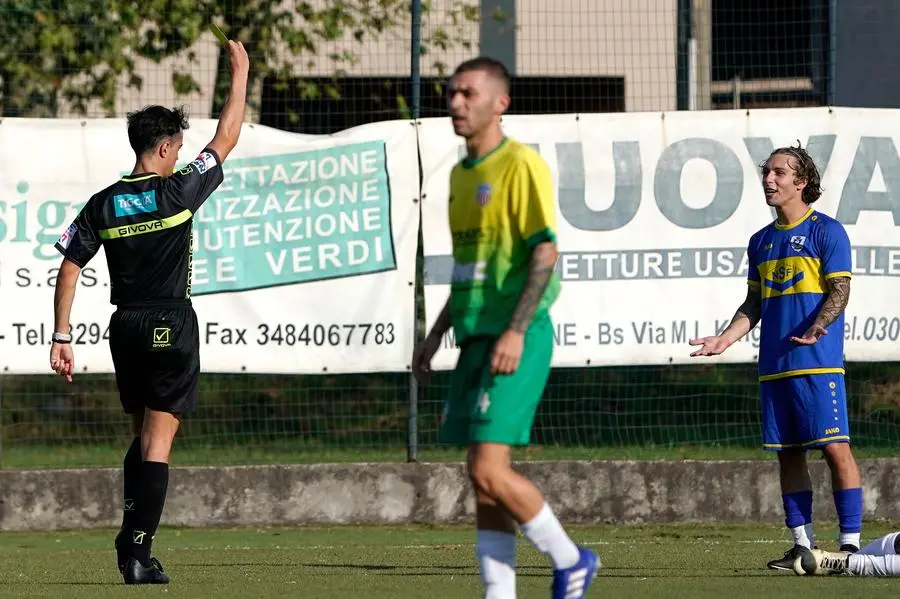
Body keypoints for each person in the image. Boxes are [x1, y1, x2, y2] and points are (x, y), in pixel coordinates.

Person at [49, 39, 249, 584]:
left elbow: (70, 265)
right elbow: (227, 137)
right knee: (158, 444)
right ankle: (137, 552)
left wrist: (61, 335)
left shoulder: (104, 202)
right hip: (169, 323)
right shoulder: (176, 193)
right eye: (178, 150)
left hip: (125, 327)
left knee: (141, 437)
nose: (181, 158)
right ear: (163, 149)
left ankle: (129, 539)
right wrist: (241, 74)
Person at [412, 56, 599, 599]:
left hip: (518, 335)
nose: (455, 103)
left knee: (490, 470)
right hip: (474, 338)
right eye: (451, 93)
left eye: (468, 93)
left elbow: (545, 250)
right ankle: (500, 594)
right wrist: (435, 333)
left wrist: (517, 330)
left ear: (501, 102)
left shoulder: (520, 165)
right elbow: (469, 270)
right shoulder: (459, 174)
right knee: (481, 477)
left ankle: (572, 560)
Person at [688, 142, 863, 571]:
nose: (769, 179)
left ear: (801, 182)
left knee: (836, 448)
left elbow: (840, 289)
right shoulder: (761, 242)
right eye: (767, 172)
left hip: (817, 363)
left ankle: (851, 547)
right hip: (774, 366)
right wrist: (724, 340)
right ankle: (802, 545)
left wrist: (820, 323)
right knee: (788, 453)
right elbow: (754, 304)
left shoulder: (828, 231)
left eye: (780, 173)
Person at [794, 532, 900, 576]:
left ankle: (845, 563)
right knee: (859, 557)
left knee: (857, 562)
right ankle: (848, 561)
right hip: (892, 543)